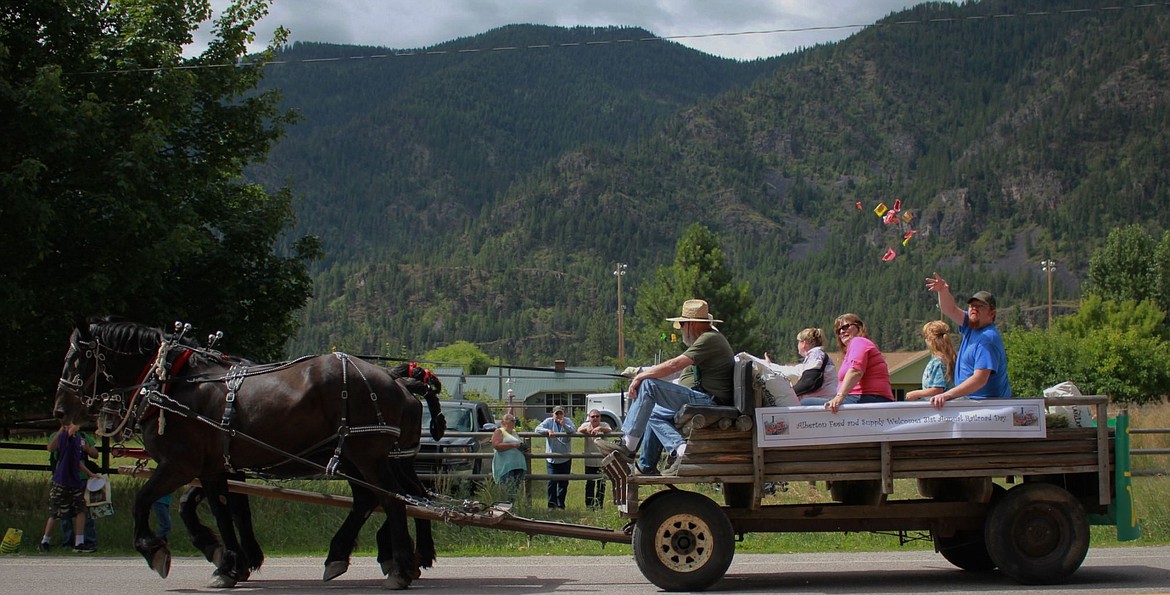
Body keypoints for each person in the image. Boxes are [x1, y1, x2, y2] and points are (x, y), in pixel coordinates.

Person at [598, 299, 734, 476]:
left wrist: (641, 376)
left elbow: (673, 365)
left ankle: (627, 447)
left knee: (648, 386)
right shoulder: (708, 340)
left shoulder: (709, 339)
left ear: (691, 324)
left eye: (682, 324)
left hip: (709, 401)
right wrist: (641, 372)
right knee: (653, 411)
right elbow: (673, 370)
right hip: (706, 398)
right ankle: (675, 452)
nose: (681, 329)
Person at [925, 273, 1012, 408]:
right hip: (973, 404)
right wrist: (943, 290)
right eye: (971, 306)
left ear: (992, 313)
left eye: (980, 306)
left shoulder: (987, 339)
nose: (974, 309)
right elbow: (951, 310)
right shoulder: (971, 326)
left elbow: (980, 379)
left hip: (987, 407)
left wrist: (947, 395)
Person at [813, 314, 893, 413]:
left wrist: (839, 397)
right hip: (864, 399)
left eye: (846, 327)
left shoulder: (859, 341)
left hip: (868, 399)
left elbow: (855, 371)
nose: (842, 331)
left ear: (859, 327)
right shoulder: (851, 351)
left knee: (806, 403)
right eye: (838, 330)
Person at [39, 424, 98, 553]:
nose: (77, 426)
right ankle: (45, 541)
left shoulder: (78, 439)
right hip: (62, 481)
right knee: (56, 512)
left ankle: (79, 542)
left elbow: (77, 461)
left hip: (75, 481)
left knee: (81, 510)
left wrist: (90, 474)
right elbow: (51, 448)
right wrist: (62, 430)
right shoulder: (63, 439)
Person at [55, 430, 98, 550]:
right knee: (64, 511)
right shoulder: (60, 436)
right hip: (64, 479)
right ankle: (67, 541)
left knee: (84, 510)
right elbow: (52, 450)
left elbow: (95, 454)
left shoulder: (83, 436)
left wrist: (87, 449)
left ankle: (86, 540)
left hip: (81, 478)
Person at [905, 320, 957, 402]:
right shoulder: (949, 359)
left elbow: (938, 390)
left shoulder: (938, 362)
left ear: (930, 340)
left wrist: (915, 394)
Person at [535, 406, 573, 509]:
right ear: (553, 414)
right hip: (552, 458)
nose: (559, 416)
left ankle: (561, 505)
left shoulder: (567, 421)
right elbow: (537, 429)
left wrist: (564, 425)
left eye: (561, 413)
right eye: (557, 414)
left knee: (563, 482)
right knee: (552, 481)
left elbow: (573, 430)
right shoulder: (548, 421)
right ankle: (551, 505)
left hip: (565, 457)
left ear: (564, 414)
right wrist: (548, 431)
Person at [789, 328, 837, 403]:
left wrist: (789, 394)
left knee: (804, 403)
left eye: (798, 342)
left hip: (822, 400)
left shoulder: (815, 355)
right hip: (827, 398)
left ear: (804, 343)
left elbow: (809, 381)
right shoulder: (819, 355)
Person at [576, 409, 612, 509]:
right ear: (589, 417)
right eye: (593, 416)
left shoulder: (604, 424)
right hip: (590, 461)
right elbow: (578, 430)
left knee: (601, 484)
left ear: (600, 417)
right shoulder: (586, 425)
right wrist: (586, 430)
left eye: (597, 416)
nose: (595, 418)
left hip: (603, 461)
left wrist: (600, 429)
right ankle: (589, 505)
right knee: (590, 483)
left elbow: (610, 430)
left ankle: (599, 505)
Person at [490, 413, 527, 498]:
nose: (514, 422)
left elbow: (518, 444)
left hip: (518, 465)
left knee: (515, 491)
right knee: (507, 491)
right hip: (506, 466)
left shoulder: (514, 432)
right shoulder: (499, 431)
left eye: (514, 420)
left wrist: (523, 448)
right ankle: (505, 508)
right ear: (504, 421)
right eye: (511, 420)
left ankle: (512, 508)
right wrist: (514, 445)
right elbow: (496, 445)